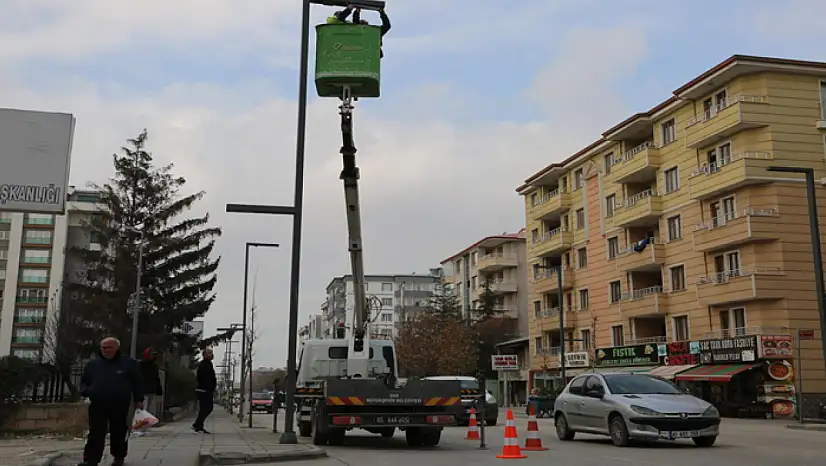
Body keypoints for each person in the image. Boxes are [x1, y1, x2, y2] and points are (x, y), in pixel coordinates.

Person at [78, 337, 143, 466]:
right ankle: (91, 459)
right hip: (98, 403)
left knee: (118, 430)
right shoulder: (93, 365)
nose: (106, 350)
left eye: (109, 348)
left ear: (117, 348)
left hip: (120, 403)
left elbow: (137, 382)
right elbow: (84, 381)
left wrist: (138, 399)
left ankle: (119, 457)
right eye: (103, 348)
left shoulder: (129, 363)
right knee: (96, 431)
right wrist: (86, 391)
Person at [192, 347, 217, 434]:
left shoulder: (209, 364)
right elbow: (202, 377)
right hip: (204, 390)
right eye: (209, 353)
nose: (211, 354)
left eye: (211, 353)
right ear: (205, 355)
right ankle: (197, 424)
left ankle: (198, 425)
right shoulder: (203, 364)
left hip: (207, 390)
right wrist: (208, 386)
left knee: (206, 408)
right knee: (207, 408)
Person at [139, 347, 164, 414]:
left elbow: (156, 378)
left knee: (149, 409)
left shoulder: (154, 366)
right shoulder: (141, 365)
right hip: (144, 391)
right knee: (144, 408)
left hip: (151, 390)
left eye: (155, 355)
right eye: (153, 354)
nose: (154, 356)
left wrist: (159, 390)